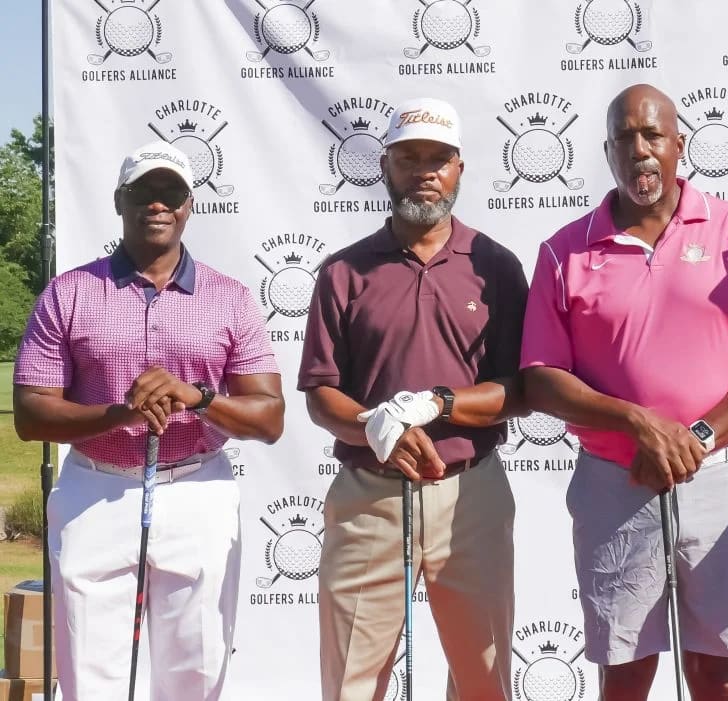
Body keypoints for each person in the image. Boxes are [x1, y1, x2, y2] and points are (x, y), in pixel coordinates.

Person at [519, 83, 728, 700]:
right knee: (623, 669)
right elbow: (541, 378)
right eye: (624, 138)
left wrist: (695, 436)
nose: (639, 149)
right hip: (615, 480)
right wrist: (637, 422)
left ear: (679, 144)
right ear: (607, 151)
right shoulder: (564, 251)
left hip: (723, 475)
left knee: (717, 671)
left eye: (652, 135)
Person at [12, 141, 285, 700]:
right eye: (143, 192)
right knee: (91, 675)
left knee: (196, 670)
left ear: (189, 206)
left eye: (171, 192)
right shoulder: (69, 293)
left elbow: (269, 416)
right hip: (95, 488)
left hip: (197, 487)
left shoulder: (230, 298)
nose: (157, 204)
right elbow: (31, 413)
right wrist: (121, 414)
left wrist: (197, 397)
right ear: (119, 201)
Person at [298, 97, 528, 701]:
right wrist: (375, 427)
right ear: (385, 167)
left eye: (438, 159)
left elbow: (520, 390)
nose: (424, 171)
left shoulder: (496, 267)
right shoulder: (344, 272)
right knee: (350, 684)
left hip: (470, 496)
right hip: (369, 496)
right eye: (408, 158)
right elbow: (321, 394)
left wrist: (439, 404)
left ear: (459, 168)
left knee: (484, 683)